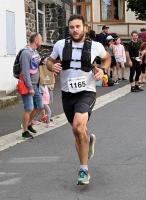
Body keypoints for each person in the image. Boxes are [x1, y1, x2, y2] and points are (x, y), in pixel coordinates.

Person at [46, 14, 111, 185]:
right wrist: (53, 66)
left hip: (87, 91)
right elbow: (49, 61)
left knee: (78, 125)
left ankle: (84, 170)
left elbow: (107, 58)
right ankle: (88, 140)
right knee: (77, 132)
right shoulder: (60, 45)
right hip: (67, 93)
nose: (75, 30)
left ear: (85, 28)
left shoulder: (95, 46)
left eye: (78, 27)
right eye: (72, 27)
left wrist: (103, 70)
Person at [20, 33, 43, 139]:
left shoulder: (35, 52)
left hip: (35, 85)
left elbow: (36, 64)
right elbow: (25, 72)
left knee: (39, 106)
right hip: (28, 85)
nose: (42, 41)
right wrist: (29, 87)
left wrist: (43, 61)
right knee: (28, 108)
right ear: (36, 40)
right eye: (41, 39)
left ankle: (29, 124)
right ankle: (24, 131)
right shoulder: (26, 53)